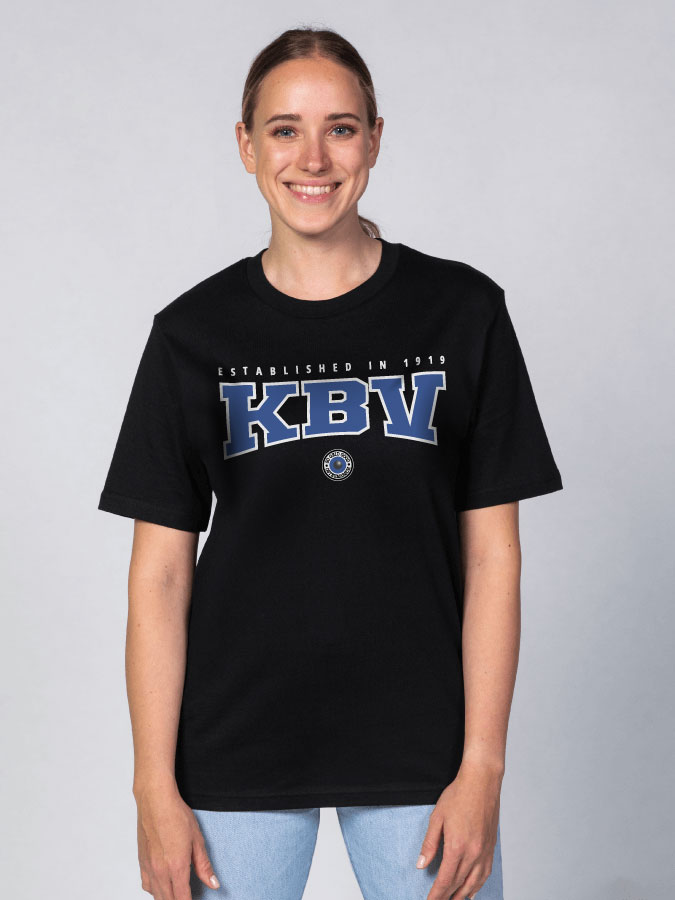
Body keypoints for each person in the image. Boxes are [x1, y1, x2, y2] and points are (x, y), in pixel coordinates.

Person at [97, 26, 563, 900]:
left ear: (374, 140)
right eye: (284, 129)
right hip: (234, 739)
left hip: (423, 745)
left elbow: (492, 557)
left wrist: (482, 766)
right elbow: (158, 577)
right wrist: (152, 786)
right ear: (246, 145)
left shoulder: (462, 312)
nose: (312, 158)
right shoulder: (191, 335)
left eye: (340, 128)